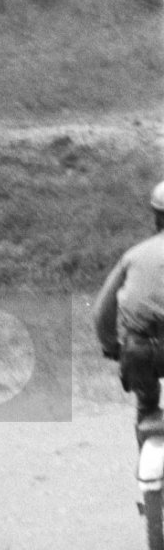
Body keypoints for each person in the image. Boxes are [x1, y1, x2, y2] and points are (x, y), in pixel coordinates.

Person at [92, 179, 164, 455]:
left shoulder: (133, 255)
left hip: (138, 351)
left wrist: (111, 346)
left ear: (156, 217)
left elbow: (101, 311)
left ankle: (147, 464)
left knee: (147, 404)